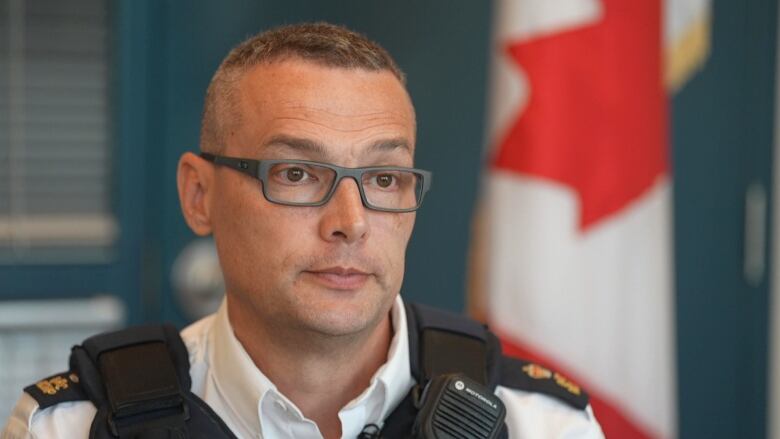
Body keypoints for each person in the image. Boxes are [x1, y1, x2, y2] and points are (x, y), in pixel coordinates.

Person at [2, 22, 604, 439]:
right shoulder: (72, 427)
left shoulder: (535, 422)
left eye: (386, 178)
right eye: (296, 173)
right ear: (199, 195)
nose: (350, 223)